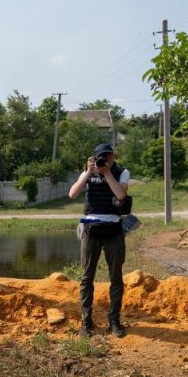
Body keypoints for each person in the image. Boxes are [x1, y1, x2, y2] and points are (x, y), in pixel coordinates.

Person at [68, 143, 132, 337]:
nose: (106, 160)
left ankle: (114, 320)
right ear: (94, 158)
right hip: (90, 229)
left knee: (116, 277)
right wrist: (88, 172)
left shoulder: (122, 172)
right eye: (102, 157)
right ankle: (86, 322)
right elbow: (72, 194)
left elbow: (121, 194)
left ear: (113, 156)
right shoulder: (88, 172)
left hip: (113, 229)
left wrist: (106, 173)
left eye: (109, 156)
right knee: (87, 277)